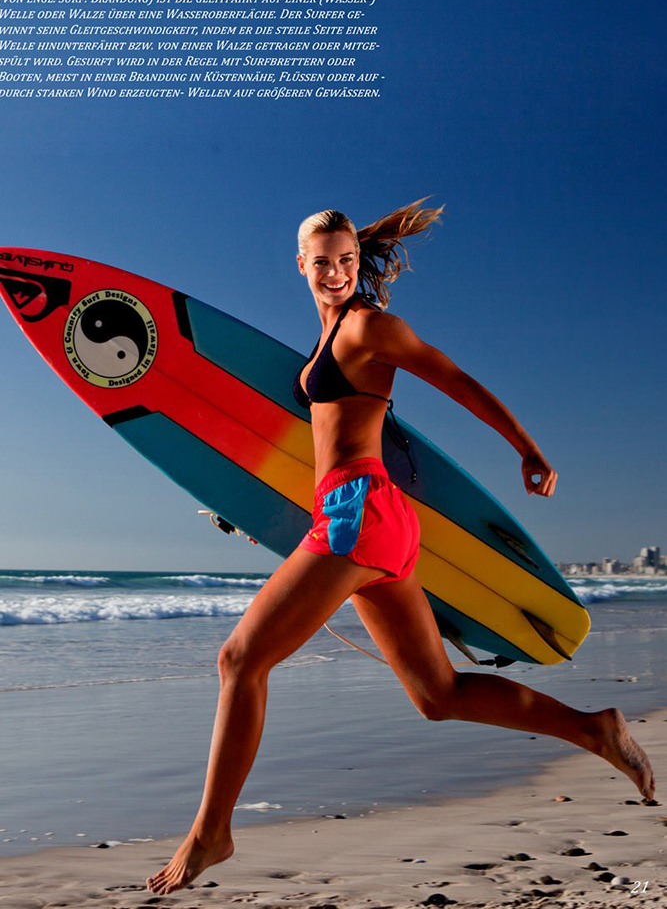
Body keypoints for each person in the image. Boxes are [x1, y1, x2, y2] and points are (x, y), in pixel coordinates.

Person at [147, 200, 654, 896]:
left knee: (239, 660)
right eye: (322, 262)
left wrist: (527, 448)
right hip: (362, 520)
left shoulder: (369, 327)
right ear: (300, 265)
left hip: (360, 517)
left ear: (358, 262)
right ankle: (595, 729)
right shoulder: (327, 338)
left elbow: (454, 379)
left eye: (345, 261)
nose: (334, 273)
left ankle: (212, 832)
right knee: (437, 694)